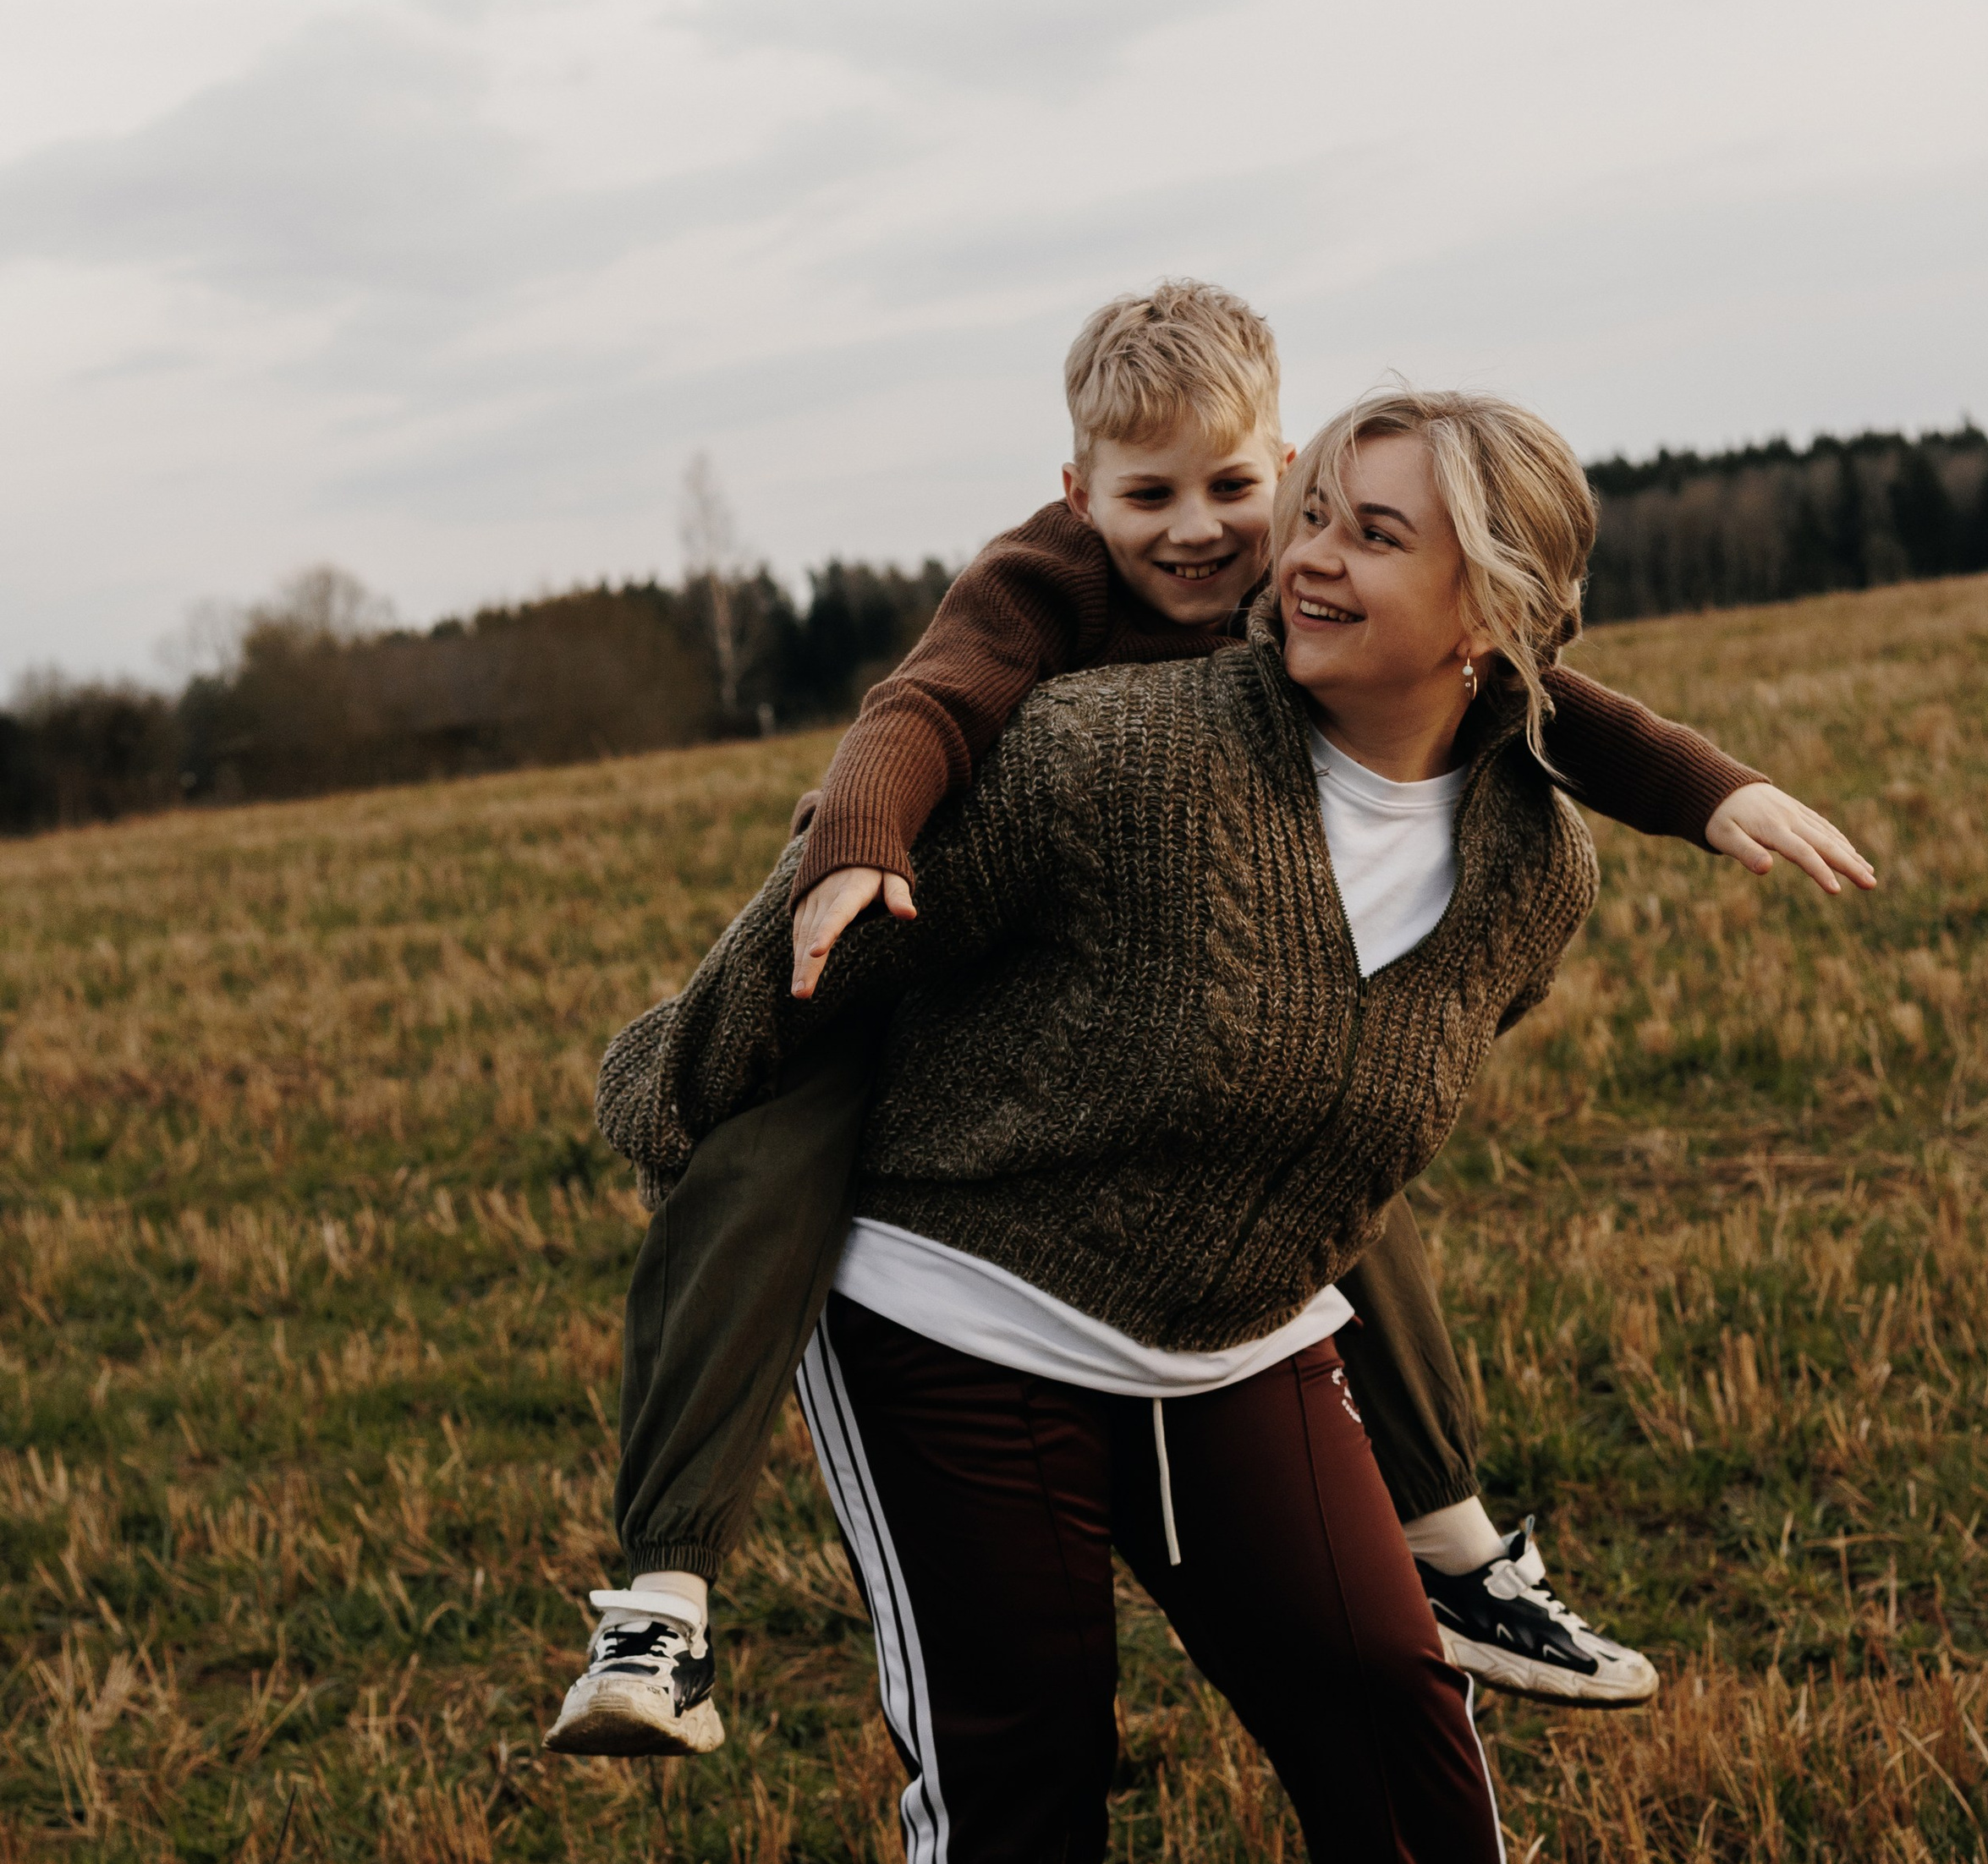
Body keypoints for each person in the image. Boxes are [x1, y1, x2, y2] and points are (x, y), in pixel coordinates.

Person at [594, 385, 1808, 1864]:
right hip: (954, 1304)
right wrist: (680, 1096)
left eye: (1368, 531)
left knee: (1385, 1697)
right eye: (1305, 510)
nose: (1300, 552)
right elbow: (836, 942)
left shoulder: (1530, 872)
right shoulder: (1105, 756)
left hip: (1239, 1340)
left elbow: (1355, 1113)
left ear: (1486, 613)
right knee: (1021, 1752)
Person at [551, 287, 1871, 1763]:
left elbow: (1539, 687)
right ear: (1077, 495)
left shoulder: (1286, 584)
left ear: (1284, 467)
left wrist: (1714, 792)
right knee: (762, 1169)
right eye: (1147, 494)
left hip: (1158, 976)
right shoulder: (1046, 580)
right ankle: (661, 1598)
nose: (1197, 528)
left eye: (1237, 487)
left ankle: (1456, 1550)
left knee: (1330, 1136)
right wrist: (862, 839)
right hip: (912, 923)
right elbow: (922, 704)